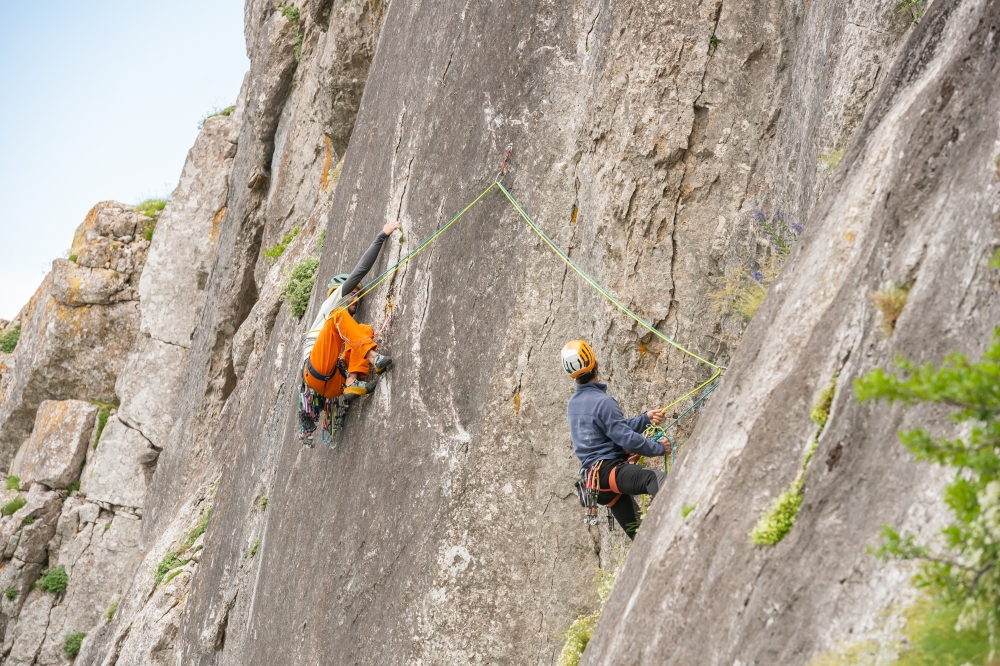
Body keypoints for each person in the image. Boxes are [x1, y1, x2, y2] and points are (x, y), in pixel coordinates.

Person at [563, 339, 666, 539]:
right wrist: (659, 448)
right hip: (608, 471)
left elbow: (613, 428)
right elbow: (627, 440)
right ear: (596, 363)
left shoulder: (573, 405)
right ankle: (685, 525)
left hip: (595, 482)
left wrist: (645, 419)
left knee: (640, 535)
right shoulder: (603, 402)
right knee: (656, 479)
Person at [302, 220, 399, 400]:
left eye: (357, 296)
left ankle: (352, 382)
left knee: (364, 330)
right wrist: (382, 235)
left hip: (334, 384)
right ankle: (372, 357)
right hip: (315, 368)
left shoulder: (342, 328)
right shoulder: (331, 303)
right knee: (337, 316)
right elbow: (360, 271)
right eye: (352, 293)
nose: (355, 298)